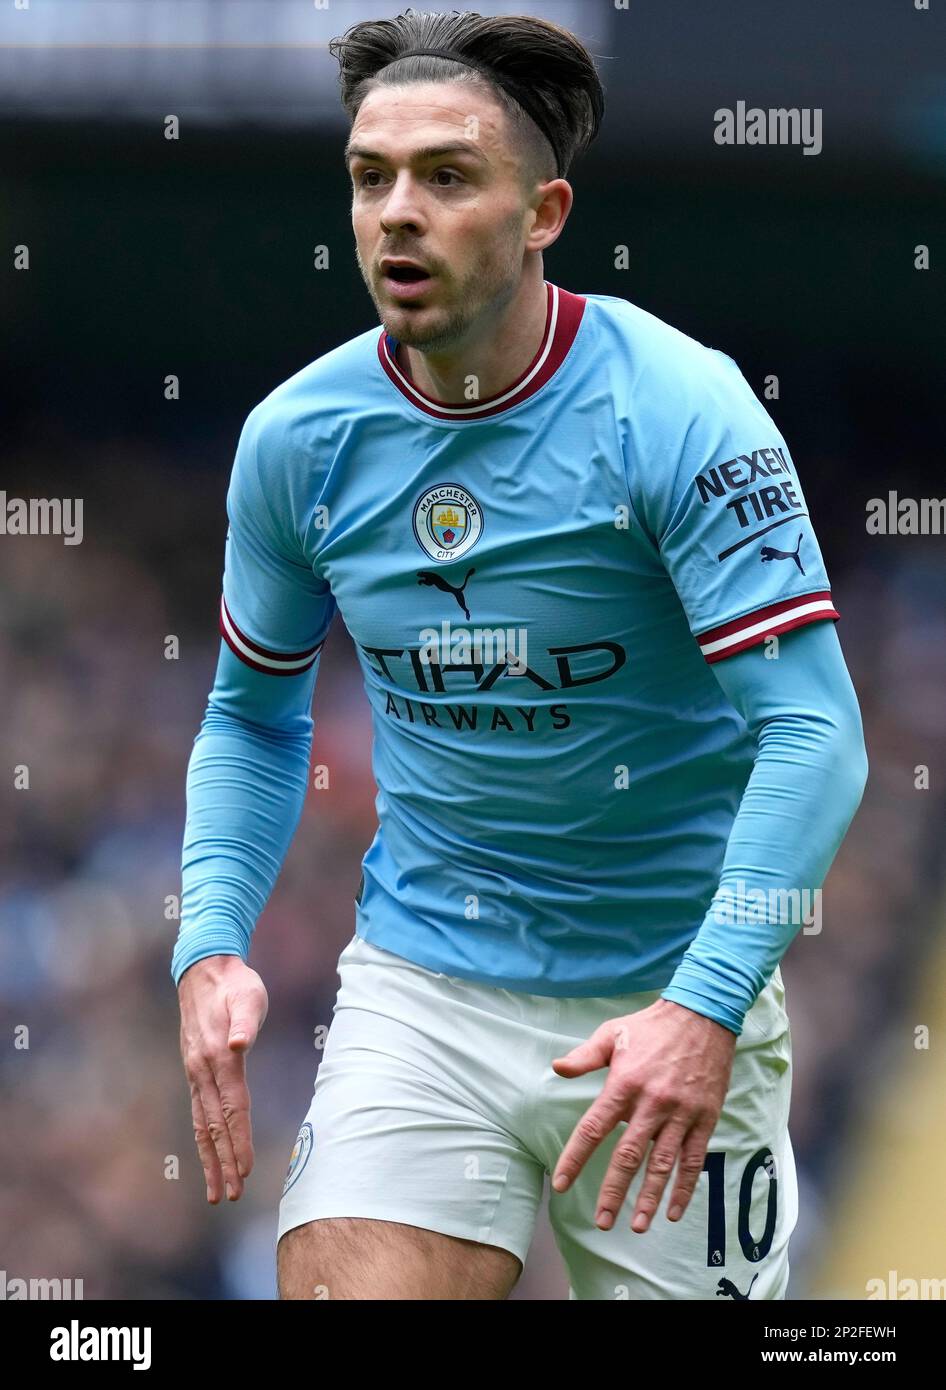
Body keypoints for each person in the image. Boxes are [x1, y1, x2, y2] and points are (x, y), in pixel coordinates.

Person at [173, 8, 867, 1300]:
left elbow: (816, 734)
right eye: (370, 177)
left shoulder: (677, 409)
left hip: (670, 994)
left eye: (445, 176)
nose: (395, 213)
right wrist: (211, 934)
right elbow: (251, 716)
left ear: (543, 211)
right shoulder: (296, 442)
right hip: (423, 990)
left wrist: (708, 1001)